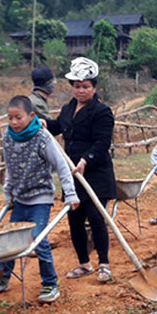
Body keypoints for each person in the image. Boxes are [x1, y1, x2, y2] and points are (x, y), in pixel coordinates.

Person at [0, 96, 80, 302]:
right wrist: (8, 195)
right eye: (10, 118)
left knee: (37, 237)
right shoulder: (8, 139)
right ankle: (2, 278)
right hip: (19, 198)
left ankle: (50, 283)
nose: (14, 122)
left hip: (40, 197)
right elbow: (10, 170)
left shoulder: (42, 138)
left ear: (31, 116)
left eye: (18, 117)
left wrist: (70, 193)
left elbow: (62, 166)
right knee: (10, 239)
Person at [45, 57, 117, 283]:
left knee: (96, 217)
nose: (81, 90)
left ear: (94, 87)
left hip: (95, 172)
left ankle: (104, 264)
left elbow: (102, 142)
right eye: (77, 86)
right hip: (72, 173)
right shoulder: (68, 109)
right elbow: (58, 126)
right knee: (74, 219)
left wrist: (86, 159)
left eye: (86, 86)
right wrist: (43, 123)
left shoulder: (102, 112)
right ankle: (84, 263)